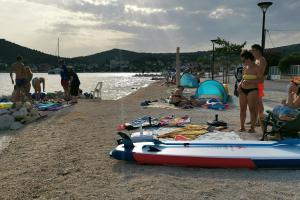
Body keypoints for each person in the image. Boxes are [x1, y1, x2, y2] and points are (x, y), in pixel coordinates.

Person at [238, 50, 262, 133]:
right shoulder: (245, 68)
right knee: (242, 109)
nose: (242, 62)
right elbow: (243, 78)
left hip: (253, 90)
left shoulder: (257, 68)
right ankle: (242, 127)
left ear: (248, 59)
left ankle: (252, 128)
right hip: (243, 90)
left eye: (243, 60)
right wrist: (240, 85)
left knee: (252, 109)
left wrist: (250, 82)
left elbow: (260, 80)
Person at [251, 44, 267, 124]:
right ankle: (254, 118)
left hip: (259, 84)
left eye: (253, 51)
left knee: (259, 102)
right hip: (255, 84)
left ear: (258, 51)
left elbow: (259, 73)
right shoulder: (256, 60)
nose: (252, 52)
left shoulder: (262, 59)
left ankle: (259, 119)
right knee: (254, 102)